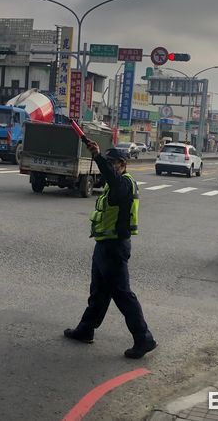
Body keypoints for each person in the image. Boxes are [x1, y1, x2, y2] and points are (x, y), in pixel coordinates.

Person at [64, 143, 157, 359]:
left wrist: (97, 156)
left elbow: (112, 177)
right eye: (109, 162)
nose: (109, 167)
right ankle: (86, 329)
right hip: (104, 245)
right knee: (98, 292)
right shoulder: (113, 185)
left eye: (113, 163)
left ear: (123, 165)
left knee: (123, 295)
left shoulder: (122, 183)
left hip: (114, 247)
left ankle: (144, 338)